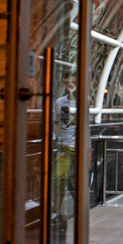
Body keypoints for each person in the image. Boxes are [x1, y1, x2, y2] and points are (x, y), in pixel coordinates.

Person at [53, 72, 77, 217]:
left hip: (78, 146)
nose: (69, 84)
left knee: (77, 178)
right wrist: (59, 139)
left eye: (72, 81)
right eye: (66, 81)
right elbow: (56, 122)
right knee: (59, 178)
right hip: (64, 146)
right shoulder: (59, 102)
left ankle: (81, 208)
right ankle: (56, 210)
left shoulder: (84, 100)